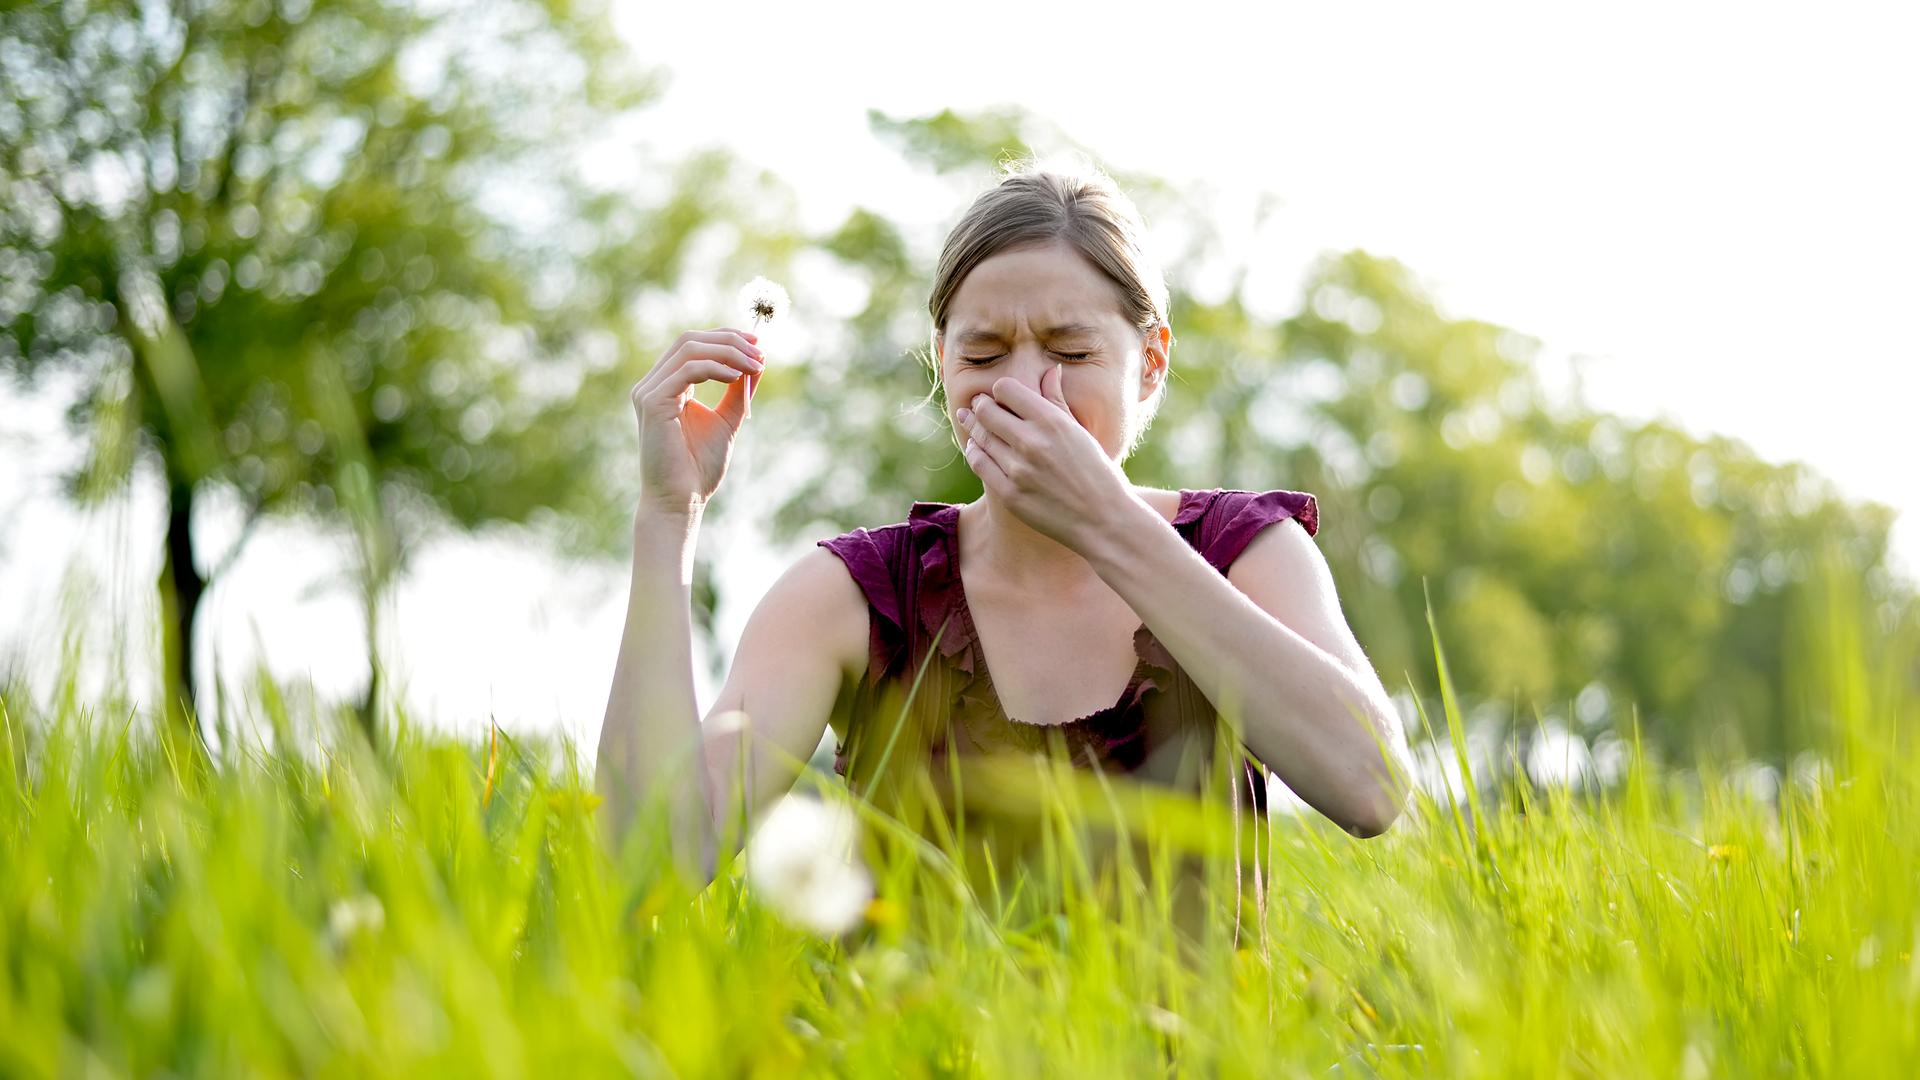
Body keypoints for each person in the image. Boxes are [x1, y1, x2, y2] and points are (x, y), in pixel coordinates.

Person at [596, 158, 1414, 925]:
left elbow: (1370, 790)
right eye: (983, 353)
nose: (1023, 387)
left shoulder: (1246, 553)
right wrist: (669, 515)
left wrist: (1108, 525)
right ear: (941, 365)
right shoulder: (854, 594)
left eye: (1071, 351)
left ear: (1152, 363)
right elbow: (651, 865)